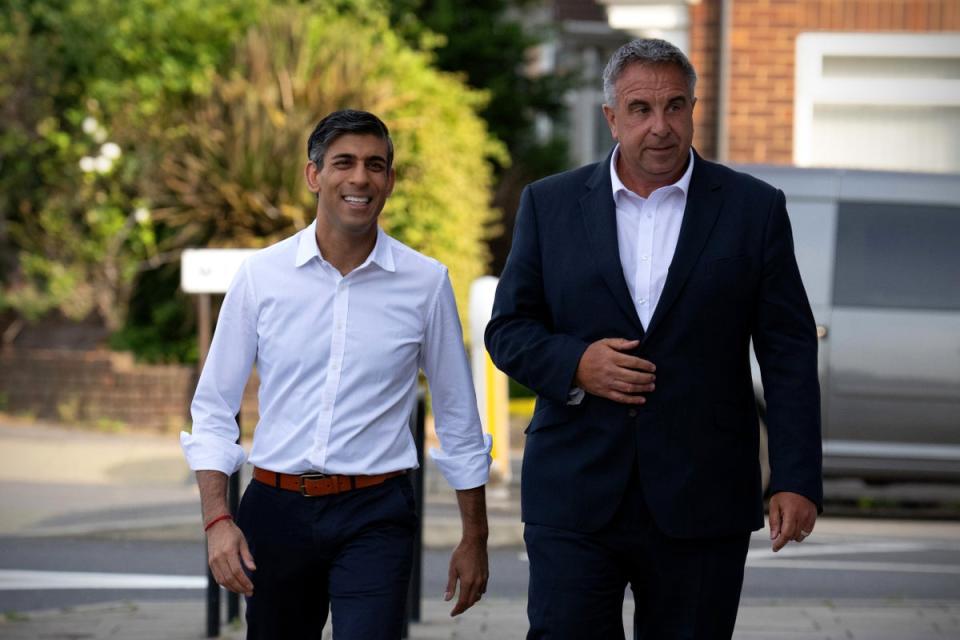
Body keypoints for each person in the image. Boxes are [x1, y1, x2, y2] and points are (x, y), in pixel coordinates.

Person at [485, 39, 822, 639]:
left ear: (695, 108)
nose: (660, 126)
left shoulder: (754, 209)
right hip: (575, 491)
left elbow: (788, 348)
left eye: (675, 106)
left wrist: (796, 477)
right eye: (641, 109)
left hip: (703, 494)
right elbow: (508, 330)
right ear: (612, 117)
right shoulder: (550, 204)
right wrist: (576, 363)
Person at [181, 109, 492, 640]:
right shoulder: (261, 276)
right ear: (314, 175)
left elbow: (459, 418)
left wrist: (475, 537)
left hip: (376, 513)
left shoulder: (425, 283)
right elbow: (212, 410)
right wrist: (217, 521)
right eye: (343, 162)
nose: (360, 178)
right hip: (275, 510)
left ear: (389, 181)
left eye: (376, 165)